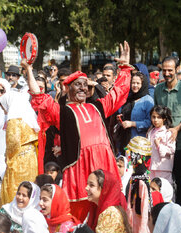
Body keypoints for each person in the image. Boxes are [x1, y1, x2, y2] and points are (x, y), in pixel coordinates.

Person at [23, 41, 133, 222]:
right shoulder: (63, 111)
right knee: (80, 211)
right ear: (67, 89)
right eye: (77, 85)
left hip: (104, 161)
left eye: (85, 84)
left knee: (109, 207)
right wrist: (28, 69)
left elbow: (118, 93)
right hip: (79, 166)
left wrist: (124, 68)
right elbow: (39, 96)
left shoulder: (97, 106)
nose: (82, 87)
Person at [154, 56, 181, 208]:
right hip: (162, 147)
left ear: (177, 69)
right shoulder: (158, 89)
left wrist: (177, 129)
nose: (167, 73)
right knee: (163, 183)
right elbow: (156, 114)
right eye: (164, 70)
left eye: (170, 70)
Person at [0, 91, 39, 206]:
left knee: (14, 187)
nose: (5, 111)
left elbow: (13, 142)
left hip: (19, 159)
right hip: (31, 155)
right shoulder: (27, 118)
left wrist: (8, 156)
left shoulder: (14, 119)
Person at [85, 169, 131, 233]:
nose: (86, 188)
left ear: (104, 189)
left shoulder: (110, 213)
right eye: (87, 184)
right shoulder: (98, 208)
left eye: (91, 185)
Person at [116, 71, 154, 154]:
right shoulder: (128, 98)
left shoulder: (148, 100)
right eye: (133, 83)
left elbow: (150, 122)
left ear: (143, 84)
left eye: (138, 83)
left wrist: (132, 124)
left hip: (138, 143)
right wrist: (121, 120)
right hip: (124, 139)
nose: (135, 86)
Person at [126, 136, 153, 233]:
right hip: (133, 228)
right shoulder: (135, 178)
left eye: (131, 154)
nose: (129, 158)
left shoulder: (142, 182)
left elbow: (145, 212)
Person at [147, 105, 176, 183]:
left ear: (164, 119)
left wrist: (159, 145)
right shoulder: (150, 132)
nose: (155, 120)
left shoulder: (168, 133)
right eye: (153, 117)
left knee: (164, 190)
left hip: (163, 168)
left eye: (159, 117)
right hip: (151, 167)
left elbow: (172, 149)